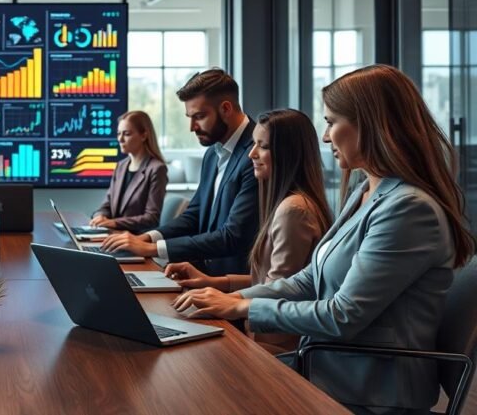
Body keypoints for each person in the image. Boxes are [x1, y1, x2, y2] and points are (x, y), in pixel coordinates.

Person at [174, 65, 476, 413]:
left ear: (371, 124)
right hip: (327, 367)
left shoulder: (408, 208)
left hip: (369, 392)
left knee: (206, 391)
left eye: (332, 122)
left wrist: (243, 307)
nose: (326, 136)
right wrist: (233, 296)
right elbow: (310, 279)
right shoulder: (366, 190)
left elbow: (344, 315)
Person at [165, 109, 332, 352]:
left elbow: (281, 291)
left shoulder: (293, 210)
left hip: (274, 346)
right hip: (262, 336)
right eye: (254, 144)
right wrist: (213, 282)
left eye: (262, 147)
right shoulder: (287, 204)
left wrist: (228, 299)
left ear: (288, 154)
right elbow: (272, 281)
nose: (252, 154)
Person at [102, 68, 260, 275]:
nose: (192, 127)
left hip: (237, 285)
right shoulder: (213, 153)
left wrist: (152, 249)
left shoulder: (257, 153)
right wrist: (147, 238)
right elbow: (194, 215)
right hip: (204, 277)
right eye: (189, 117)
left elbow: (234, 235)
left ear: (226, 109)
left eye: (199, 117)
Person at [88, 110, 168, 233]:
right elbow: (107, 205)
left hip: (136, 239)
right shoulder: (121, 166)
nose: (120, 139)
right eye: (119, 133)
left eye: (126, 134)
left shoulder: (157, 169)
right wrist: (100, 216)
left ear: (143, 135)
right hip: (113, 235)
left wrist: (114, 222)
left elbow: (151, 218)